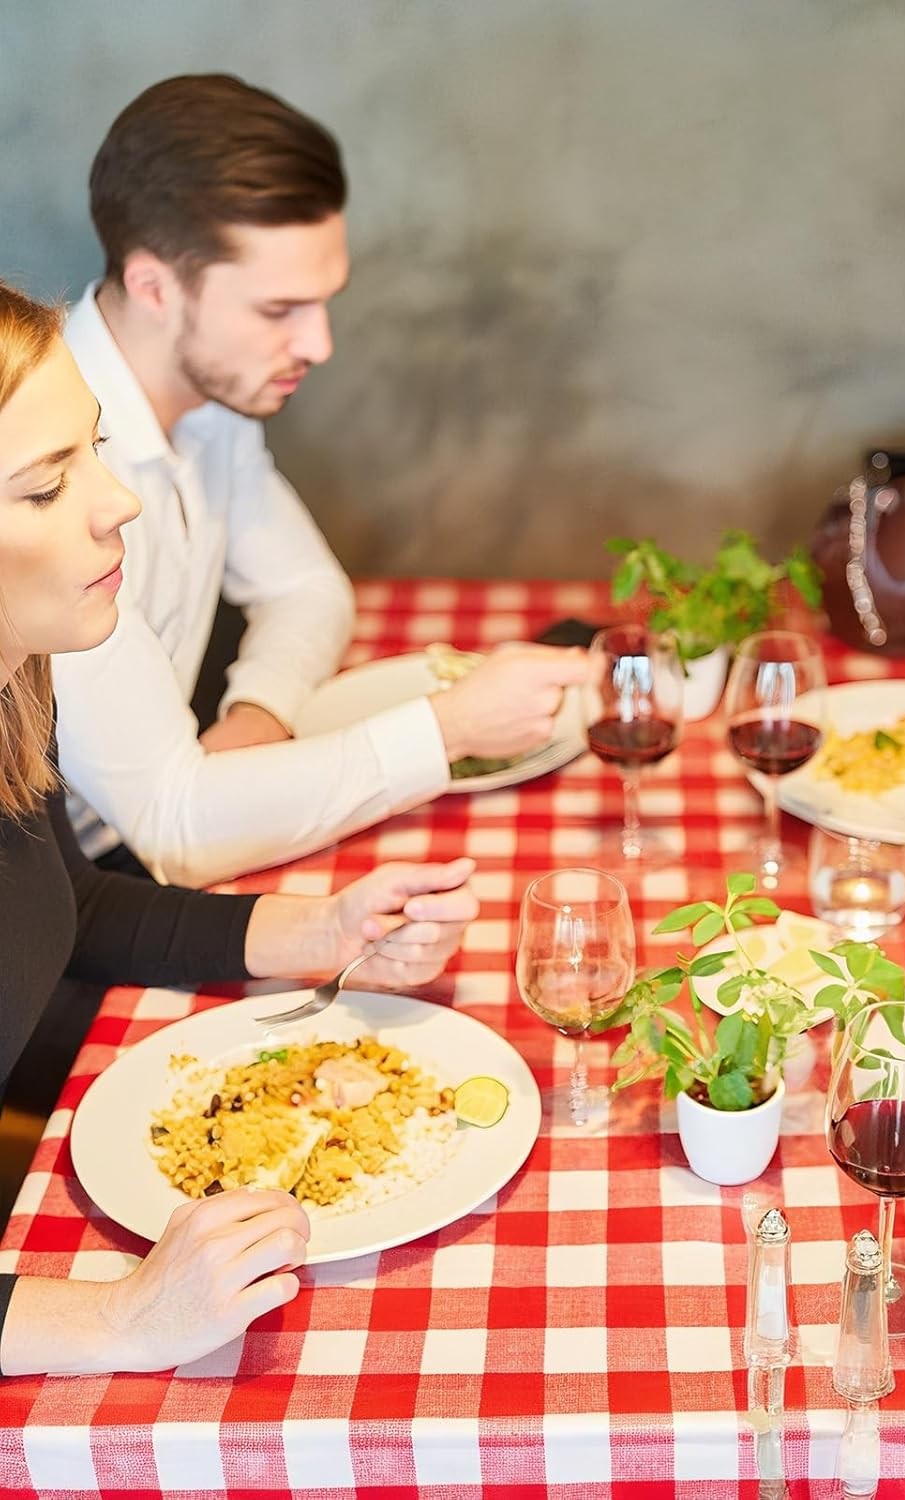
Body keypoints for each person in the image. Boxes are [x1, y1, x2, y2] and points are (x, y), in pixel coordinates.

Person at [0, 281, 480, 1375]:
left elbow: (64, 907)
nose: (117, 503)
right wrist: (117, 1321)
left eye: (97, 452)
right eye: (45, 486)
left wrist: (313, 931)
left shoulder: (17, 690)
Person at [52, 74, 587, 889]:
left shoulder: (211, 397)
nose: (320, 343)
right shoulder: (44, 464)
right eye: (280, 310)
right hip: (62, 903)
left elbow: (311, 590)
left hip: (151, 854)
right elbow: (176, 832)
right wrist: (448, 727)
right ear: (155, 286)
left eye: (323, 303)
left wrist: (259, 712)